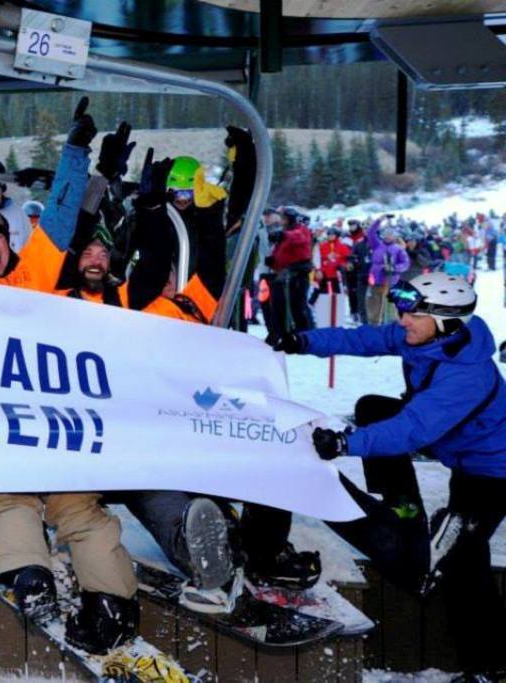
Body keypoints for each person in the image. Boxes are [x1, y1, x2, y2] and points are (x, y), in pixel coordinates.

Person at [0, 102, 141, 655]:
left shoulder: (34, 275)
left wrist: (74, 153)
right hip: (0, 424)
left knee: (78, 509)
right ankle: (32, 579)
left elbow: (59, 213)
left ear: (10, 243)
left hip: (58, 420)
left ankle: (113, 600)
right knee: (11, 499)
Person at [272, 272, 506, 682]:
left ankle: (489, 666)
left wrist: (346, 444)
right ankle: (401, 504)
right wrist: (303, 342)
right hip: (461, 454)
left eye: (413, 315)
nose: (402, 321)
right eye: (404, 312)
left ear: (446, 321)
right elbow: (362, 340)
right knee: (373, 406)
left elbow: (412, 429)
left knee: (459, 562)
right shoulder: (427, 337)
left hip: (493, 473)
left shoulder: (467, 376)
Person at [119, 150, 320, 597]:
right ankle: (199, 551)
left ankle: (260, 544)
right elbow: (152, 255)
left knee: (260, 448)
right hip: (144, 421)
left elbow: (216, 236)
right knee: (157, 486)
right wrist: (149, 211)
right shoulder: (136, 296)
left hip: (197, 403)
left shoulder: (203, 296)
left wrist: (244, 166)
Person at [265, 208, 314, 339]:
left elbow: (298, 237)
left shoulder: (300, 229)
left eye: (284, 219)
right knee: (278, 304)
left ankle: (305, 334)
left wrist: (283, 235)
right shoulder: (284, 233)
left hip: (298, 272)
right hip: (283, 273)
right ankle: (279, 333)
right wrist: (272, 261)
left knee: (298, 306)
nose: (282, 221)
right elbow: (280, 252)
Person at [367, 219, 409, 325]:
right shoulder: (377, 245)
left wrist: (394, 268)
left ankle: (391, 327)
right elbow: (370, 233)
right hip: (376, 281)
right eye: (386, 234)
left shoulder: (398, 249)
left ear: (394, 236)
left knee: (391, 308)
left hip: (391, 282)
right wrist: (378, 221)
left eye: (390, 234)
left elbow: (405, 264)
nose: (388, 236)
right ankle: (374, 327)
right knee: (374, 306)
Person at [345, 219, 370, 324]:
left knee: (374, 301)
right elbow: (352, 256)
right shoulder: (357, 243)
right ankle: (360, 317)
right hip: (360, 274)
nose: (367, 231)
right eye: (365, 229)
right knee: (359, 298)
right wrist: (351, 262)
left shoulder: (379, 243)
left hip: (376, 276)